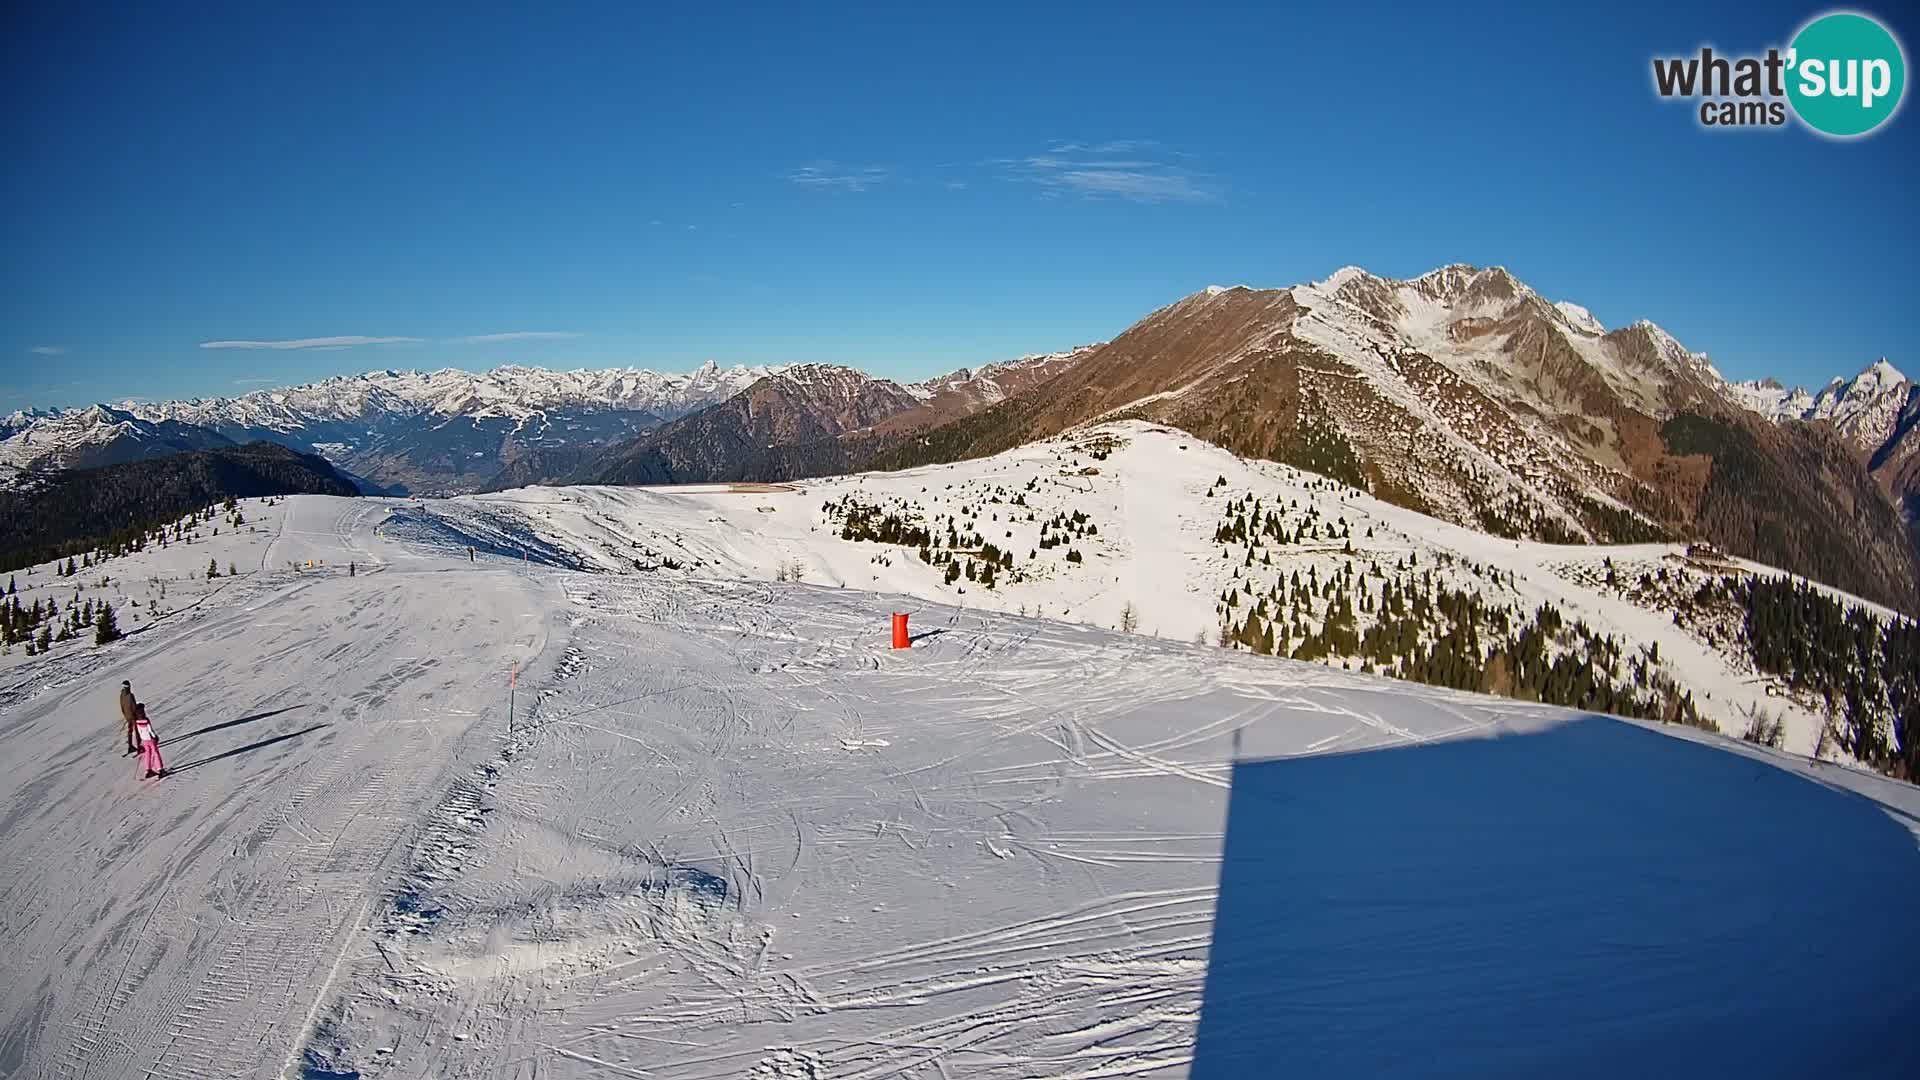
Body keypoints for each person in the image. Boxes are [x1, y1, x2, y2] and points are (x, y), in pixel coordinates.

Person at [134, 703, 166, 780]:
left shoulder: (137, 721)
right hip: (150, 739)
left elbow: (139, 731)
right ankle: (160, 769)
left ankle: (148, 770)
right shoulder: (146, 720)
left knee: (147, 754)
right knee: (155, 753)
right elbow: (150, 730)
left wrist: (141, 740)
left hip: (144, 740)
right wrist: (155, 736)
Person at [119, 680, 139, 756]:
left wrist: (125, 715)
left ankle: (130, 746)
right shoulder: (130, 695)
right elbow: (133, 707)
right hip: (133, 716)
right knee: (137, 731)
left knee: (130, 730)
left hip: (127, 716)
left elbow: (122, 706)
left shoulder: (122, 695)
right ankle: (139, 746)